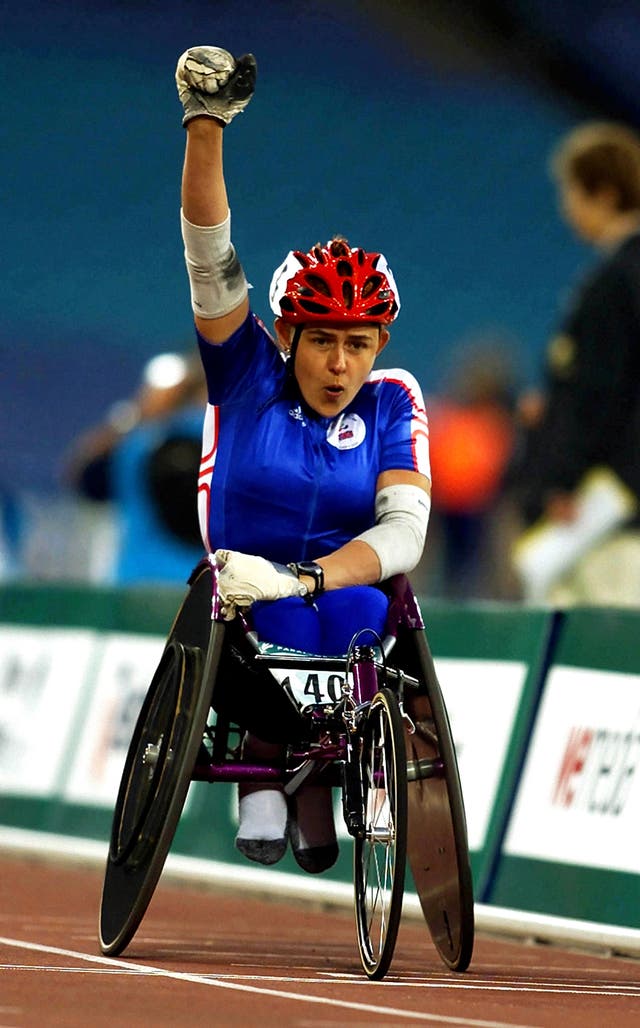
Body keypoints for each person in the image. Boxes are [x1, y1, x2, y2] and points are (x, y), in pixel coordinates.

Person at [174, 46, 431, 871]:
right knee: (284, 630)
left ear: (380, 343)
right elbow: (211, 260)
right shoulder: (247, 372)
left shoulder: (395, 399)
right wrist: (205, 125)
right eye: (321, 341)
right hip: (250, 587)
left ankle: (324, 772)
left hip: (337, 584)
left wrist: (317, 576)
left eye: (358, 344)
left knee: (361, 631)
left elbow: (405, 531)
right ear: (289, 336)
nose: (339, 364)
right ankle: (272, 750)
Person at [510, 121, 640, 606]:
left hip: (609, 501)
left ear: (604, 194)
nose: (567, 206)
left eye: (572, 191)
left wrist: (563, 478)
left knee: (596, 640)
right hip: (623, 496)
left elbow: (600, 392)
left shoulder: (615, 280)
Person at [65, 351, 207, 583]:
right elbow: (86, 480)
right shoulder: (136, 443)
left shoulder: (135, 438)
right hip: (191, 585)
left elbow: (82, 478)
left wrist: (136, 413)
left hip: (142, 582)